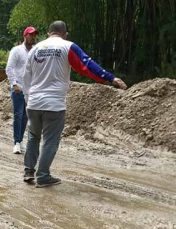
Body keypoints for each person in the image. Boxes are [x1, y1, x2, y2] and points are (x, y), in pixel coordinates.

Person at [23, 20, 127, 187]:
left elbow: (26, 77)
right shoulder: (67, 46)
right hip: (54, 104)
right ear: (65, 34)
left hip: (33, 102)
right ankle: (43, 176)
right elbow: (87, 66)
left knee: (33, 137)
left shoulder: (35, 49)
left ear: (49, 33)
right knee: (50, 140)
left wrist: (28, 98)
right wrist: (110, 78)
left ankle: (28, 171)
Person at [6, 26, 38, 154]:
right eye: (31, 35)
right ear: (25, 36)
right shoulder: (17, 50)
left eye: (34, 35)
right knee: (18, 115)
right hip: (18, 88)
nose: (33, 37)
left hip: (30, 89)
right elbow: (9, 68)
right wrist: (14, 84)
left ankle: (21, 140)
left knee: (25, 116)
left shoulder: (36, 51)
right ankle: (16, 142)